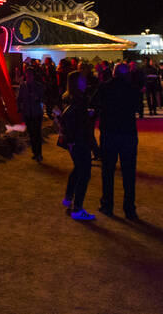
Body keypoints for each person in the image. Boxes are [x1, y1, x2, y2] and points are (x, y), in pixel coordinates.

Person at [91, 63, 142, 219]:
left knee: (107, 171)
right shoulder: (132, 88)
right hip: (128, 133)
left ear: (113, 73)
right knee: (129, 173)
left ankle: (107, 205)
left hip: (109, 132)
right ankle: (129, 208)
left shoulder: (104, 87)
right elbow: (138, 107)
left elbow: (93, 103)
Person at [59, 72, 95, 221]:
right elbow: (72, 119)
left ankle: (69, 197)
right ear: (77, 83)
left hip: (74, 141)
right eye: (82, 79)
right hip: (79, 141)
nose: (85, 81)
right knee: (84, 173)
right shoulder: (80, 99)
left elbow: (67, 117)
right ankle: (78, 208)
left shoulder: (70, 98)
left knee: (78, 169)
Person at [16, 67, 46, 162]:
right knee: (31, 134)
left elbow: (43, 98)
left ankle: (39, 153)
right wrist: (20, 108)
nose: (28, 77)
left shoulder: (38, 86)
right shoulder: (23, 86)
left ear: (33, 76)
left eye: (30, 75)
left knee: (37, 134)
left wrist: (36, 97)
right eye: (27, 75)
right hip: (28, 113)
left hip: (36, 113)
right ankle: (35, 153)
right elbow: (19, 98)